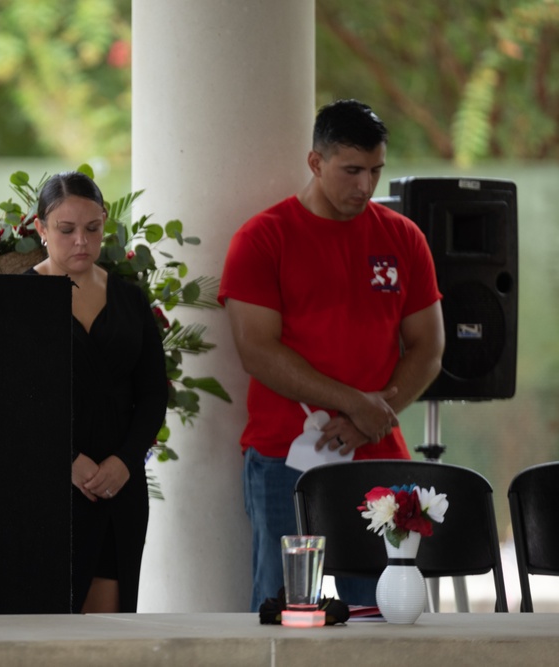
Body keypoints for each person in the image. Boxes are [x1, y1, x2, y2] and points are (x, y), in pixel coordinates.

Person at [218, 100, 445, 611]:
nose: (364, 186)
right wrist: (355, 404)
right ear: (316, 163)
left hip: (379, 455)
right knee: (288, 610)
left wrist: (372, 418)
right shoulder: (262, 239)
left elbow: (429, 347)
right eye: (351, 170)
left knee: (388, 612)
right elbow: (257, 351)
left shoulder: (403, 236)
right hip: (284, 456)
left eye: (375, 171)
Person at [27, 172, 168, 613]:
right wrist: (65, 460)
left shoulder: (128, 299)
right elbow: (11, 403)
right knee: (44, 621)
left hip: (117, 485)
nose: (81, 242)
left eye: (92, 228)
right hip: (42, 486)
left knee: (107, 631)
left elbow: (152, 393)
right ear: (40, 229)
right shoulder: (17, 301)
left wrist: (125, 462)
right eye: (66, 231)